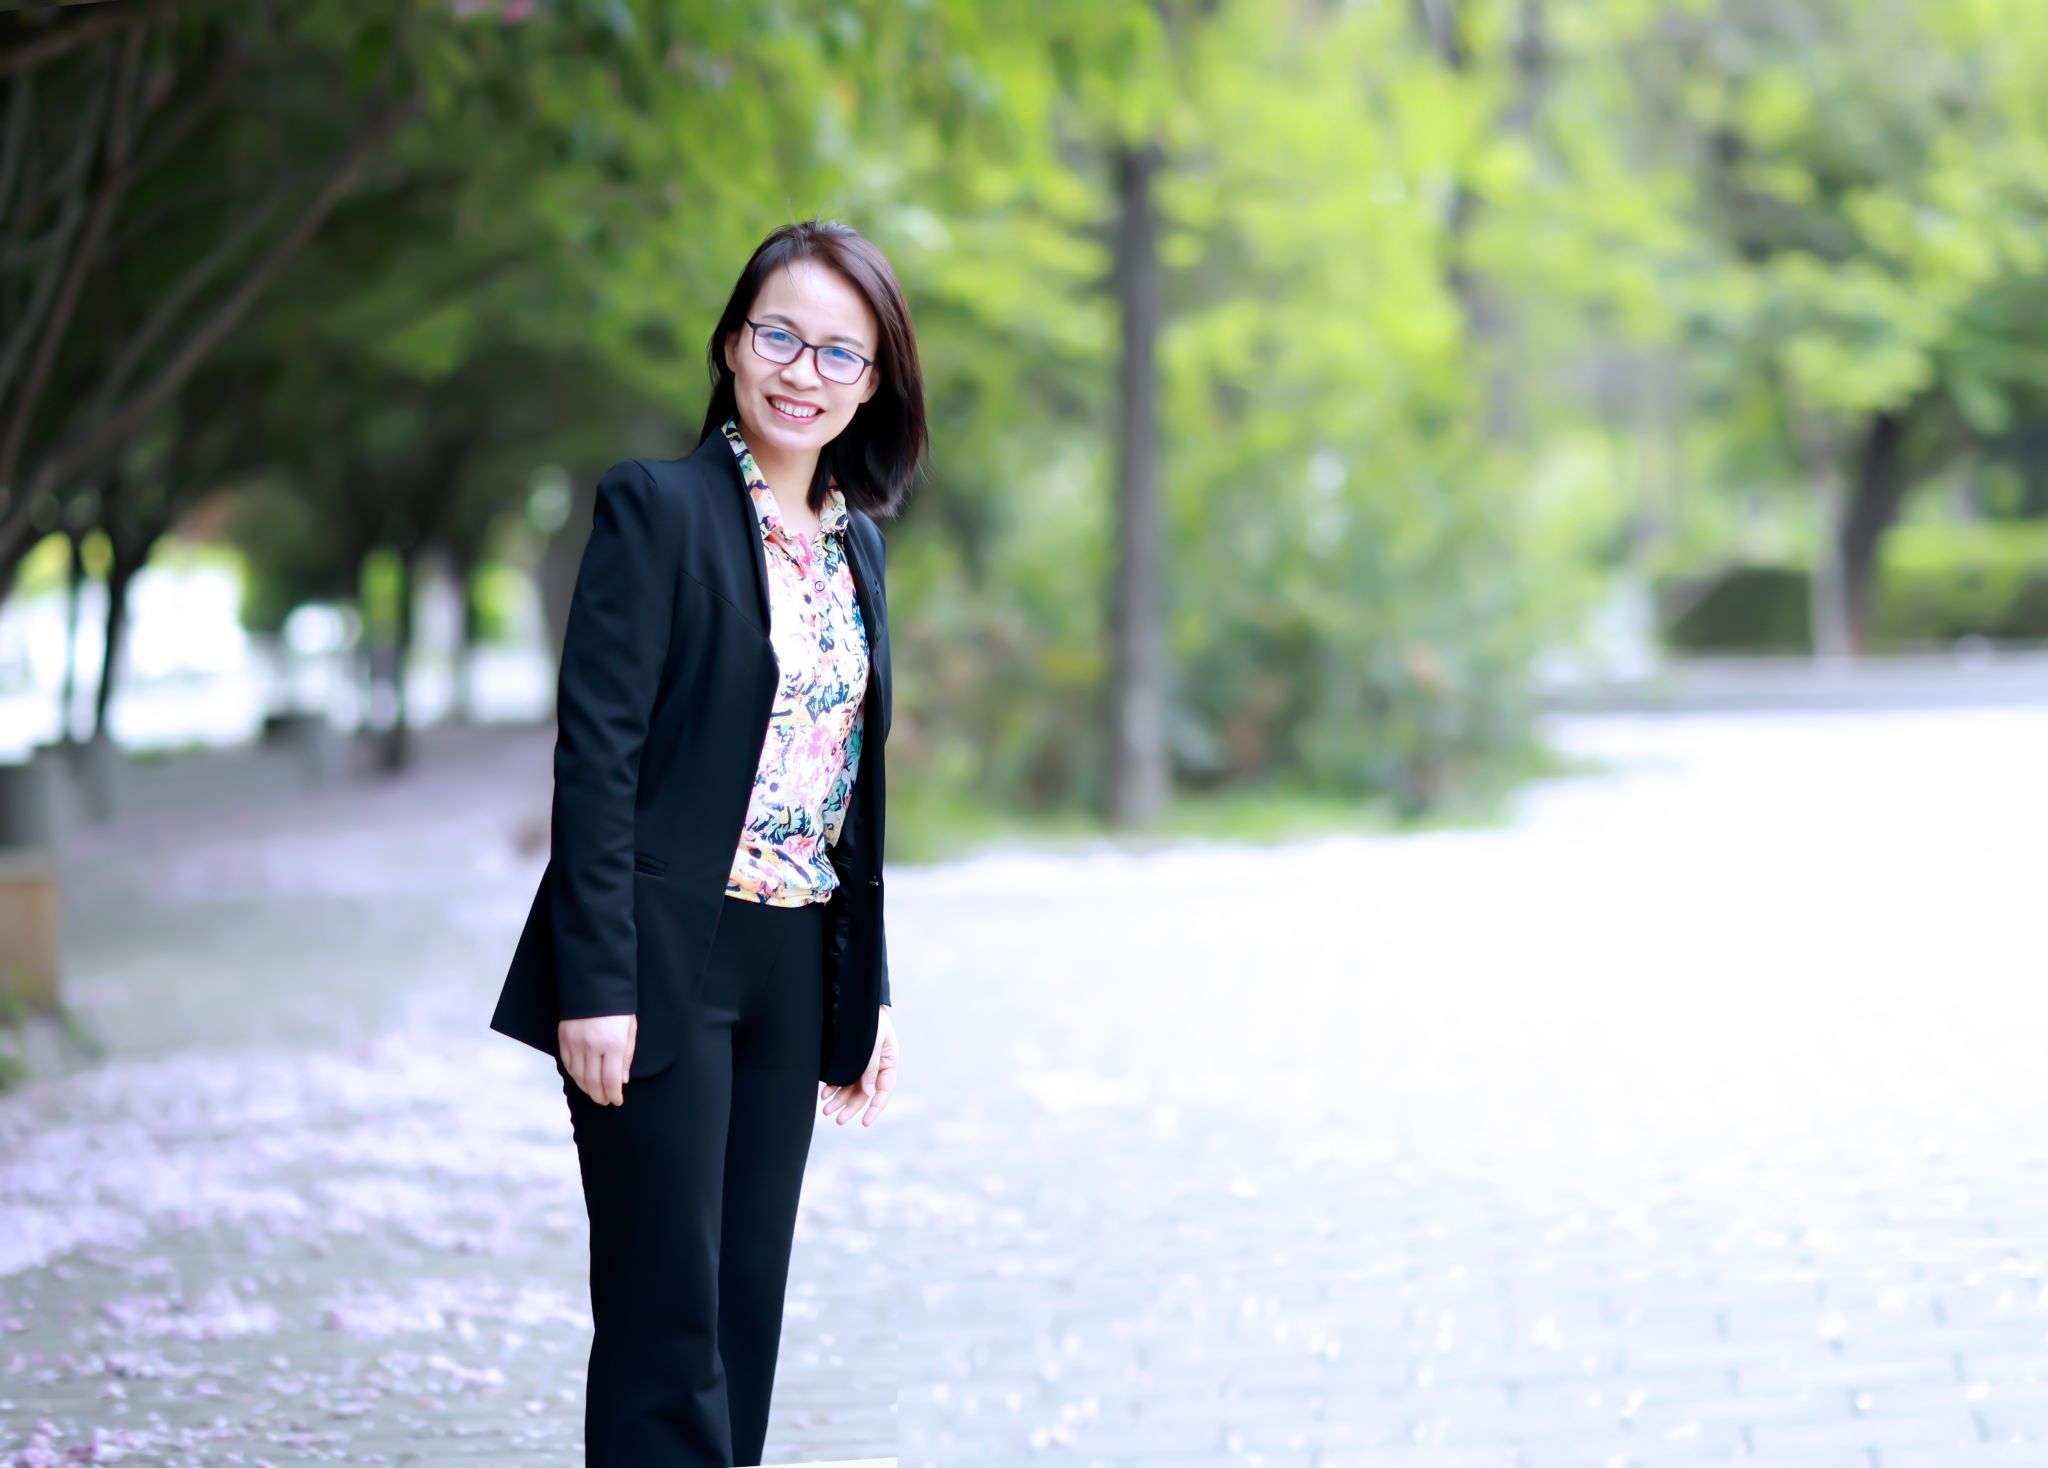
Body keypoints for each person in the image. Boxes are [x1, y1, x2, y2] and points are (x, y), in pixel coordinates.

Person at [489, 216, 925, 1466]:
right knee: (665, 1321)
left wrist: (865, 992)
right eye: (778, 336)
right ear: (732, 344)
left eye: (837, 353)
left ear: (871, 383)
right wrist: (597, 983)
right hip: (659, 959)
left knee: (743, 1315)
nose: (802, 372)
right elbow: (598, 758)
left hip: (789, 966)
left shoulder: (855, 547)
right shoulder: (656, 509)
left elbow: (845, 787)